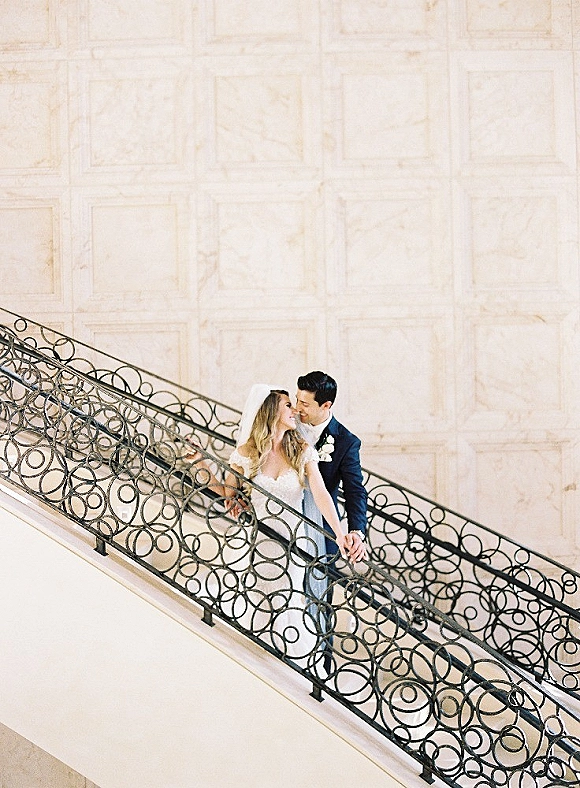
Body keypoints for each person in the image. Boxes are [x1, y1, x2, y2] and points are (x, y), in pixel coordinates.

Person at [187, 384, 352, 663]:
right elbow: (227, 494)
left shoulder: (301, 450)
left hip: (292, 543)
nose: (295, 410)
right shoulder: (247, 452)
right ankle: (254, 661)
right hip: (257, 541)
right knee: (256, 599)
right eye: (288, 405)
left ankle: (285, 663)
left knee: (287, 601)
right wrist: (201, 463)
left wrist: (339, 533)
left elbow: (321, 494)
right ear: (271, 411)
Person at [296, 371, 367, 562]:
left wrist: (356, 532)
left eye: (305, 404)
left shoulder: (346, 442)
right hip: (281, 518)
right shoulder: (286, 425)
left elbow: (354, 490)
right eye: (297, 400)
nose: (297, 408)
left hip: (322, 526)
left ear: (326, 405)